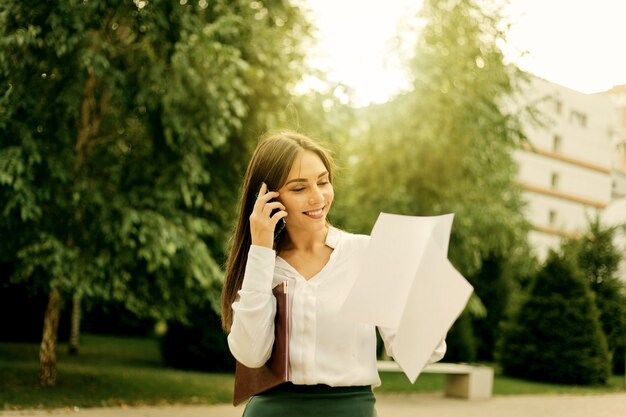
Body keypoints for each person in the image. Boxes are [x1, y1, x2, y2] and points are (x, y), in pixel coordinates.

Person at [221, 130, 446, 416]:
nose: (318, 198)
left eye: (323, 182)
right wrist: (261, 249)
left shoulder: (366, 253)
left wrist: (428, 292)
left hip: (350, 410)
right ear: (268, 198)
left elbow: (416, 353)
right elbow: (252, 354)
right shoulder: (261, 264)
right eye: (299, 188)